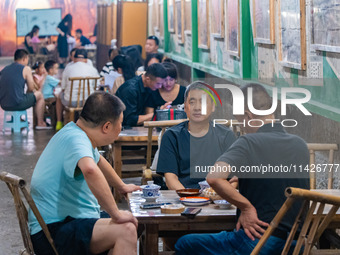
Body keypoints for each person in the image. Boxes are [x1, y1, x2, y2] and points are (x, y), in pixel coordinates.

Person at [175, 83, 310, 255]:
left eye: (240, 121)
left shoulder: (248, 142)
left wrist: (246, 208)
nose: (242, 128)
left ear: (248, 115)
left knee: (185, 244)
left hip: (259, 243)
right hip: (296, 245)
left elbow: (214, 178)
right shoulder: (300, 144)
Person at [28, 92, 140, 255]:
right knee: (126, 229)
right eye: (120, 123)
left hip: (63, 222)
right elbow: (90, 169)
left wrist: (122, 186)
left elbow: (99, 161)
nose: (121, 129)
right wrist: (115, 214)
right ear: (107, 127)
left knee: (137, 223)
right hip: (52, 232)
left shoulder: (75, 132)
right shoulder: (77, 141)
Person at [156, 82, 236, 190]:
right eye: (192, 102)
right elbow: (171, 179)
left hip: (219, 198)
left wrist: (222, 197)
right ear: (185, 107)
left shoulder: (226, 136)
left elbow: (234, 177)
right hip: (183, 198)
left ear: (212, 106)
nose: (197, 108)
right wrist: (190, 198)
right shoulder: (172, 136)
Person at [0, 49, 50, 129]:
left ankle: (19, 120)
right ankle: (40, 123)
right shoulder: (26, 69)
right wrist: (28, 95)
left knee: (16, 95)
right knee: (39, 95)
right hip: (17, 104)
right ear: (24, 59)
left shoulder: (4, 69)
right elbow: (31, 88)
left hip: (4, 105)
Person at [55, 49, 99, 131]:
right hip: (88, 101)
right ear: (86, 59)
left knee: (59, 96)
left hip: (71, 102)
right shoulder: (93, 69)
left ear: (74, 58)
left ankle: (59, 122)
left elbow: (63, 88)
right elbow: (96, 87)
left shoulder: (68, 68)